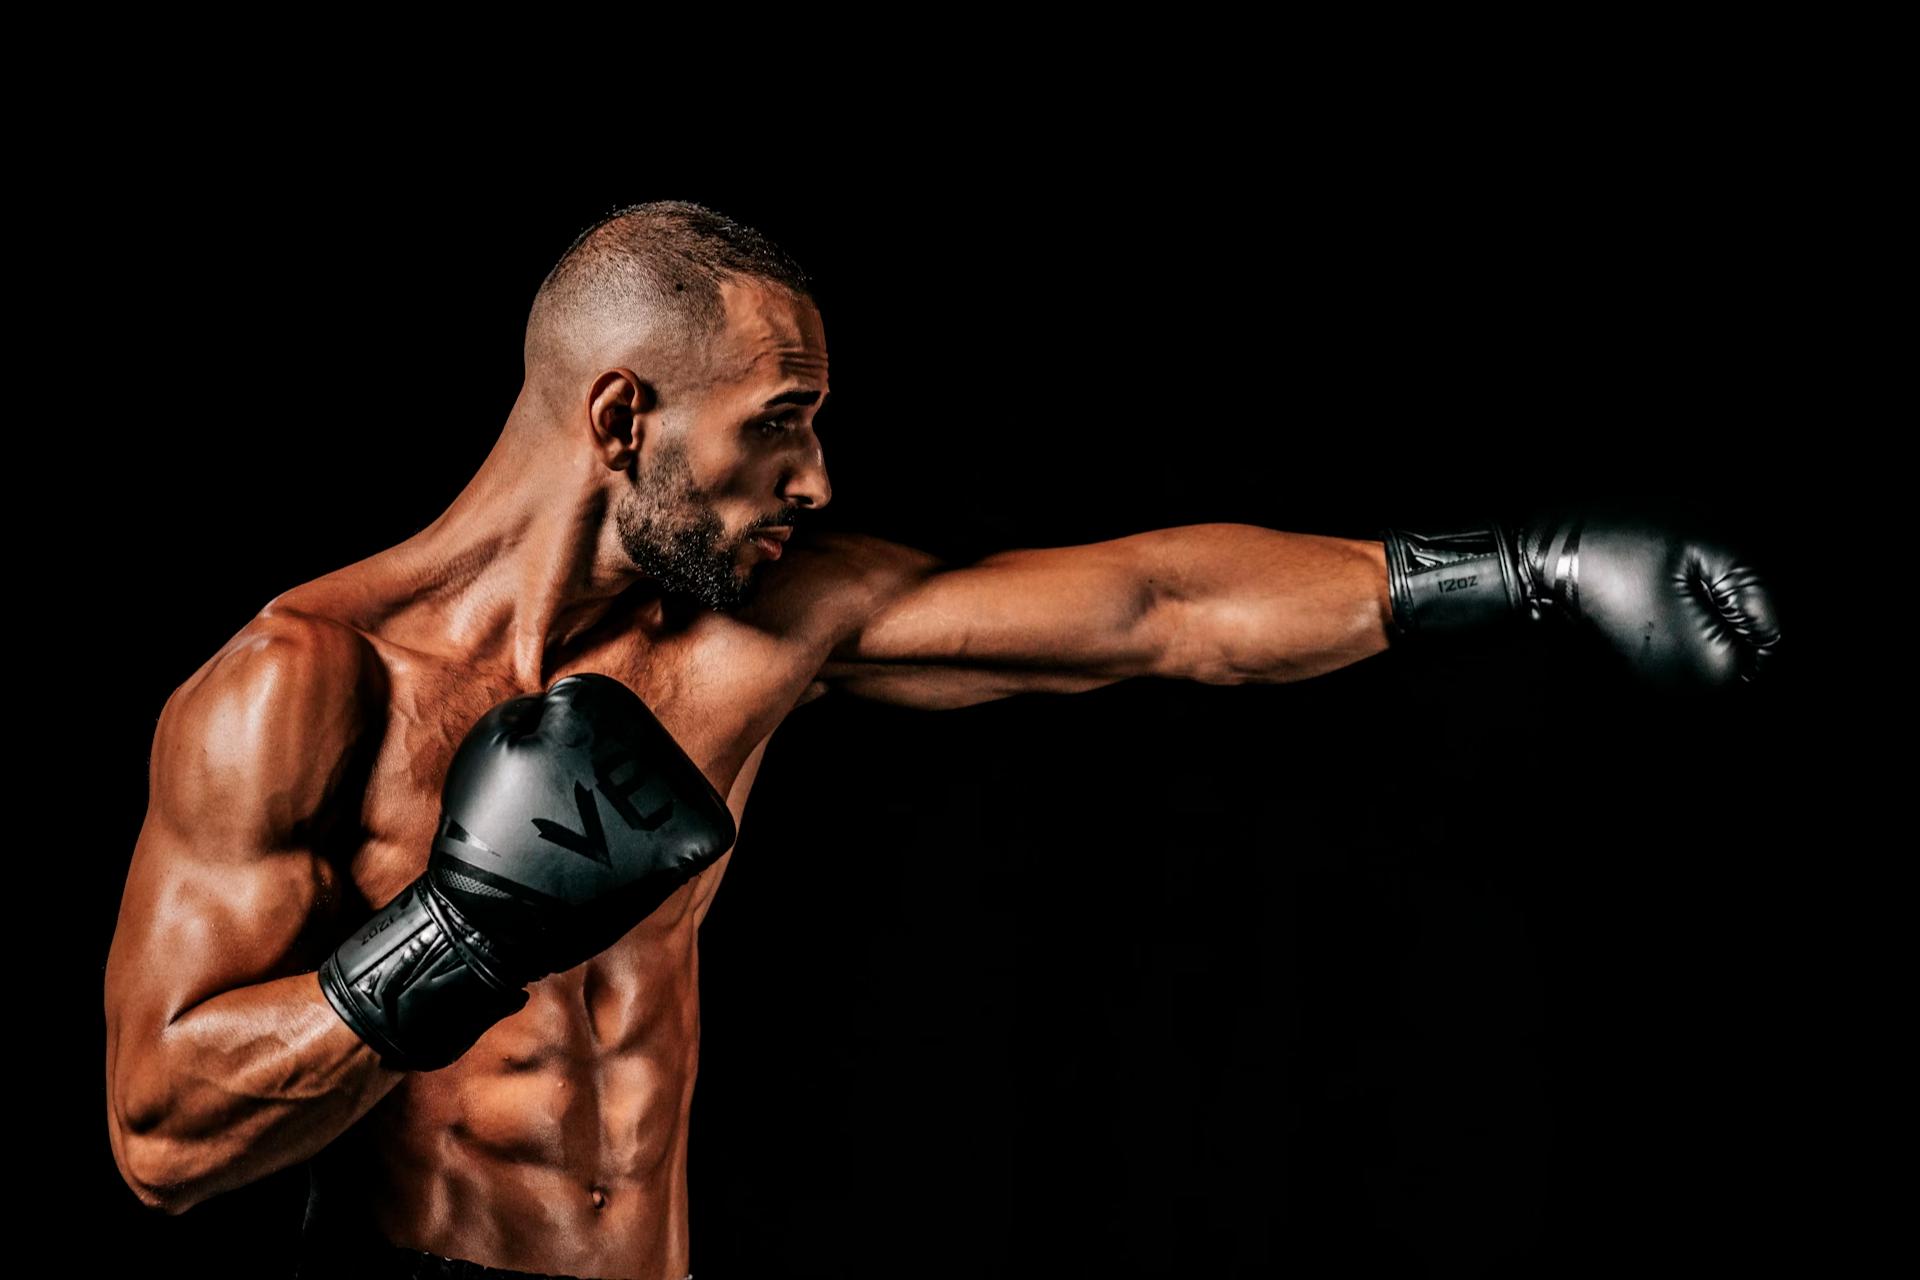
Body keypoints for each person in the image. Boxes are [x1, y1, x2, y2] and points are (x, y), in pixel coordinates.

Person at [102, 200, 1783, 1280]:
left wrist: (1529, 571)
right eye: (779, 426)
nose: (817, 480)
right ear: (622, 419)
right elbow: (162, 1141)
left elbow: (1157, 610)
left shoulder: (763, 629)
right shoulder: (304, 688)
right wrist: (457, 932)